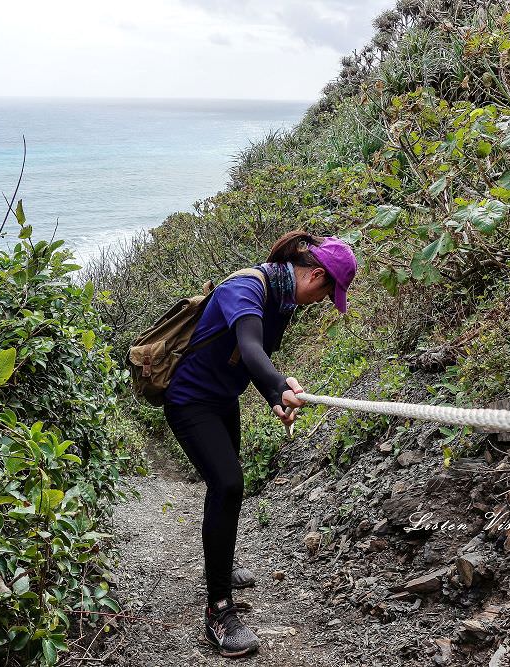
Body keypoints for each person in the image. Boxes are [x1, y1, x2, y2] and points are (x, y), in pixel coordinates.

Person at [163, 231, 358, 658]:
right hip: (190, 400)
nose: (324, 301)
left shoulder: (284, 302)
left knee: (228, 485)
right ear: (316, 275)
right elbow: (250, 347)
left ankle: (222, 565)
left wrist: (274, 397)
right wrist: (276, 384)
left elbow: (255, 359)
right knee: (228, 483)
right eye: (328, 293)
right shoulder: (247, 288)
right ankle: (218, 613)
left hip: (222, 399)